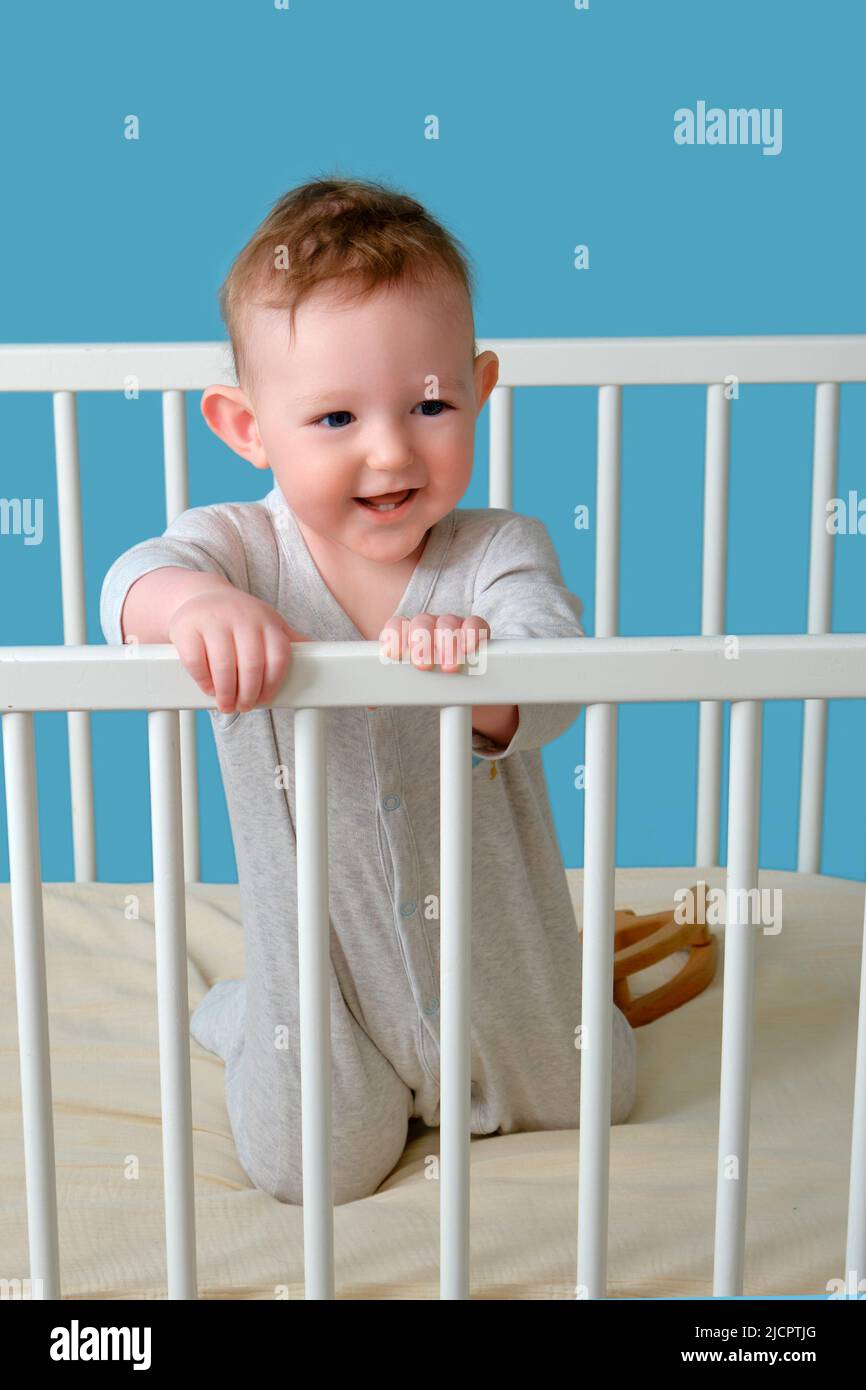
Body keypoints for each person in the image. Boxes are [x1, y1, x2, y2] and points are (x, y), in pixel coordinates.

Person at [99, 175, 637, 1205]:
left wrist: (482, 668)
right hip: (323, 980)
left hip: (496, 958)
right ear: (247, 427)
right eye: (336, 415)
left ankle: (572, 996)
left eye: (429, 404)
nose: (389, 449)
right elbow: (129, 578)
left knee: (591, 1091)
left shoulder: (493, 552)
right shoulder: (238, 552)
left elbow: (557, 675)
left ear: (477, 388)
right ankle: (247, 1013)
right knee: (306, 1166)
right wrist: (190, 610)